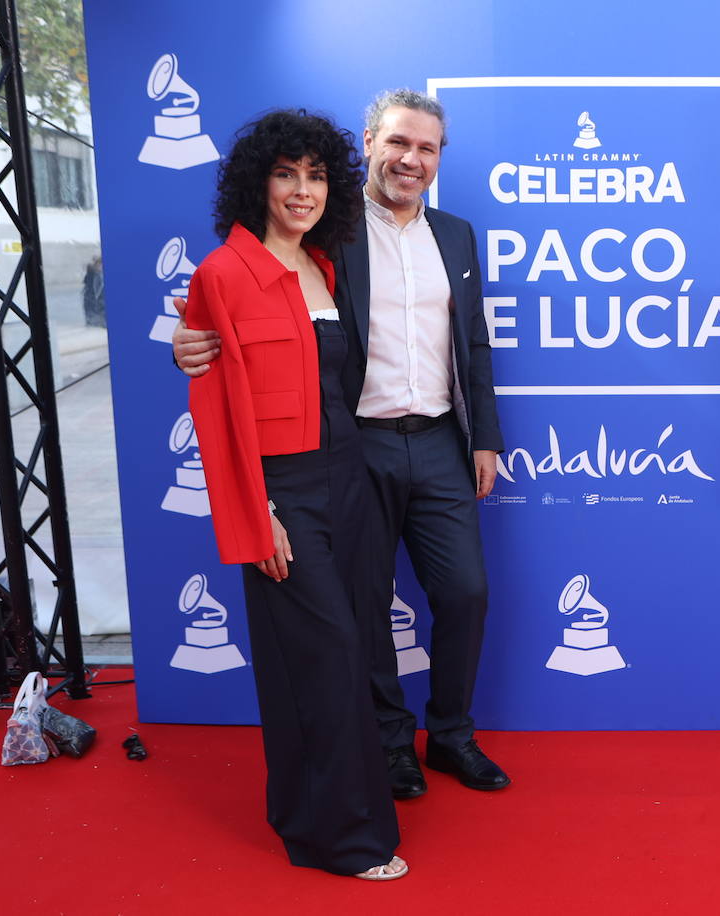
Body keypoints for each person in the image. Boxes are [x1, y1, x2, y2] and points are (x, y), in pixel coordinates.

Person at [174, 89, 508, 799]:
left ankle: (450, 734)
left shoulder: (457, 235)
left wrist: (485, 437)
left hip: (445, 443)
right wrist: (188, 342)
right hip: (355, 446)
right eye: (398, 143)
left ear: (439, 158)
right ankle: (391, 745)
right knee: (365, 606)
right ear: (368, 143)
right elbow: (251, 300)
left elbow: (473, 343)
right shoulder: (329, 231)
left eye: (426, 148)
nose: (410, 159)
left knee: (467, 593)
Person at [184, 110, 406, 879]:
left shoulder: (325, 266)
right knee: (326, 656)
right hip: (283, 494)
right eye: (286, 173)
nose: (301, 190)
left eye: (315, 175)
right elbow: (215, 413)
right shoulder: (220, 275)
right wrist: (259, 515)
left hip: (349, 481)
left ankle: (316, 810)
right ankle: (339, 840)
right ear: (258, 183)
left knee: (350, 652)